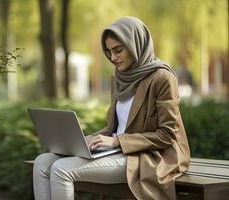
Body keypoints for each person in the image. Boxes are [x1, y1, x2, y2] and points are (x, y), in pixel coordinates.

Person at [33, 16, 190, 200]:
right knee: (42, 162)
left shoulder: (162, 78)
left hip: (147, 156)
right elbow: (116, 128)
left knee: (61, 170)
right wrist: (91, 139)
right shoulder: (119, 79)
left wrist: (117, 142)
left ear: (135, 44)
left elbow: (168, 134)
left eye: (118, 50)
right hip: (118, 150)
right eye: (109, 52)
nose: (113, 58)